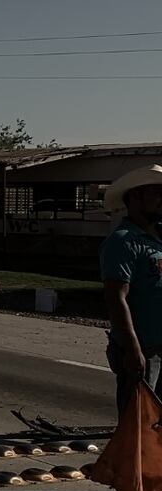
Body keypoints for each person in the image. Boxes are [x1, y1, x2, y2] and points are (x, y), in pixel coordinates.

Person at [100, 164, 162, 414]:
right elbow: (117, 297)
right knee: (137, 421)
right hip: (144, 348)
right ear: (135, 197)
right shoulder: (123, 241)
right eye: (157, 194)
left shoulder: (156, 240)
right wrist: (132, 347)